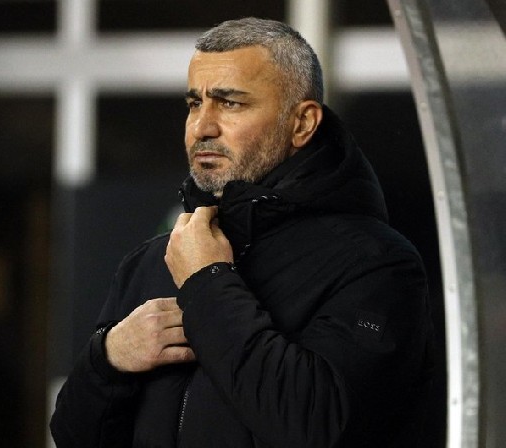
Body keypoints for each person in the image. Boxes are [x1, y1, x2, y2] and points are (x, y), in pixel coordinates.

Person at [50, 17, 435, 448]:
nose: (202, 127)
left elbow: (316, 426)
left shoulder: (376, 263)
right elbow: (73, 436)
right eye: (194, 103)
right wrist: (109, 359)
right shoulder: (151, 261)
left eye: (230, 103)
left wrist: (207, 281)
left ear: (302, 123)